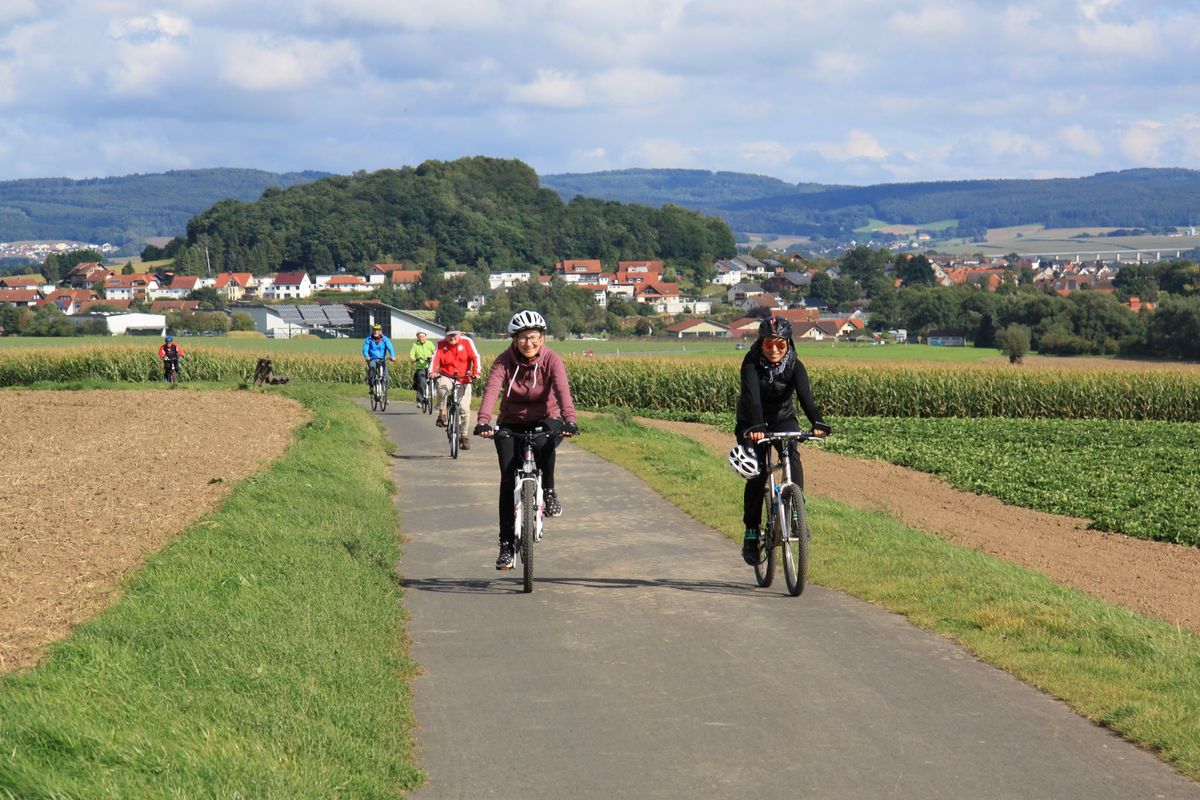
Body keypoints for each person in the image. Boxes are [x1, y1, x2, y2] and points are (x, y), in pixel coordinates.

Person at [474, 310, 579, 570]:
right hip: (511, 422)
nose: (528, 343)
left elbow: (562, 390)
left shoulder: (552, 360)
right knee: (508, 479)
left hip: (546, 417)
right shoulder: (503, 362)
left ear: (542, 338)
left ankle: (549, 490)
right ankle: (506, 545)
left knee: (546, 441)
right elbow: (491, 390)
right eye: (522, 338)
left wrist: (570, 420)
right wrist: (484, 421)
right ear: (514, 339)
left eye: (533, 337)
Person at [734, 315, 831, 566]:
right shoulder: (751, 364)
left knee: (792, 457)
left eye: (780, 344)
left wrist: (817, 422)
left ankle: (796, 513)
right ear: (761, 344)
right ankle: (751, 533)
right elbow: (753, 398)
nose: (774, 350)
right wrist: (755, 427)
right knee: (758, 474)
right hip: (752, 421)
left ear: (788, 344)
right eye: (768, 345)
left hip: (782, 418)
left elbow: (806, 397)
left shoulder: (795, 366)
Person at [429, 327, 481, 450]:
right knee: (442, 386)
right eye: (449, 335)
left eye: (455, 335)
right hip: (447, 375)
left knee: (464, 409)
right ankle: (442, 413)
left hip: (464, 377)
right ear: (446, 335)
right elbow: (435, 358)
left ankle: (464, 435)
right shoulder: (441, 344)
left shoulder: (467, 342)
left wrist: (476, 372)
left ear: (460, 334)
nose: (452, 338)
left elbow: (475, 357)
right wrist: (432, 372)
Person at [362, 323, 396, 391]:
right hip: (372, 359)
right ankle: (371, 386)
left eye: (377, 330)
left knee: (386, 376)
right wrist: (367, 356)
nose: (376, 331)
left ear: (380, 331)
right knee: (372, 369)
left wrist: (392, 356)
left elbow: (390, 348)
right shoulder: (368, 339)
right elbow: (365, 350)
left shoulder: (385, 339)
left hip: (382, 359)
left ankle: (385, 393)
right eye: (374, 330)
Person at [408, 331, 436, 408]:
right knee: (421, 381)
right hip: (420, 367)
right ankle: (419, 400)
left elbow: (435, 351)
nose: (421, 338)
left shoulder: (429, 343)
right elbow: (411, 354)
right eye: (419, 337)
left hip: (429, 366)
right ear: (417, 338)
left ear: (426, 337)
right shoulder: (415, 345)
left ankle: (433, 391)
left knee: (435, 377)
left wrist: (434, 357)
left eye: (423, 337)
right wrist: (413, 359)